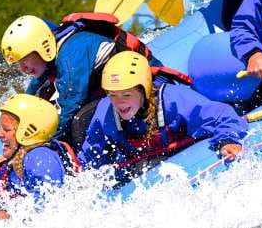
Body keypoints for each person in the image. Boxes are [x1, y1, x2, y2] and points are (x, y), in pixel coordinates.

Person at [0, 13, 158, 153]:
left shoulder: (70, 56)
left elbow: (70, 108)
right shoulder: (48, 59)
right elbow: (26, 102)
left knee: (77, 122)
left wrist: (38, 146)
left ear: (42, 48)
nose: (22, 69)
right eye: (18, 64)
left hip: (146, 87)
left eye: (24, 60)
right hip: (114, 93)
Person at [79, 51, 247, 185]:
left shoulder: (174, 99)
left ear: (143, 90)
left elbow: (222, 115)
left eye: (126, 94)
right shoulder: (105, 112)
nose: (119, 102)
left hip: (188, 160)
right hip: (146, 169)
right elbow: (90, 156)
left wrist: (227, 139)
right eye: (113, 95)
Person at [0, 93, 79, 220]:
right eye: (0, 128)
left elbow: (54, 210)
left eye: (6, 130)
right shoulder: (20, 156)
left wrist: (8, 217)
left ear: (28, 132)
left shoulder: (39, 157)